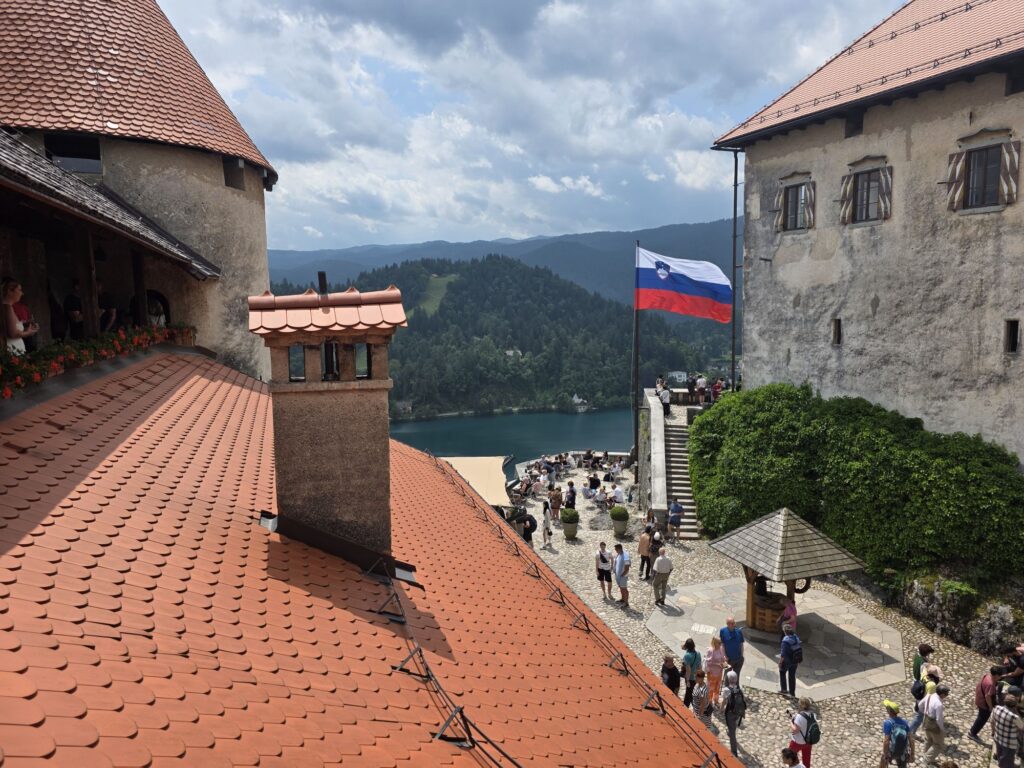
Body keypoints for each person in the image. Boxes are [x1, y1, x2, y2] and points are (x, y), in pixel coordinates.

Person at [2, 279, 38, 354]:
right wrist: (29, 332)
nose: (22, 293)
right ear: (10, 291)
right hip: (13, 351)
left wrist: (26, 329)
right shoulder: (7, 308)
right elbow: (13, 333)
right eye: (19, 290)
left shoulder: (6, 307)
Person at [969, 665, 1001, 744]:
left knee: (980, 717)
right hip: (984, 704)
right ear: (995, 675)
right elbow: (987, 696)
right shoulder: (990, 684)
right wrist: (990, 707)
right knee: (982, 719)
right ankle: (972, 733)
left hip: (979, 699)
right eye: (999, 676)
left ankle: (972, 732)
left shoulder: (987, 676)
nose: (999, 677)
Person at [990, 694, 1023, 768]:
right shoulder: (1015, 717)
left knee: (1000, 756)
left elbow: (992, 721)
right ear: (1015, 705)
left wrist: (993, 732)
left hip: (998, 738)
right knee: (1007, 761)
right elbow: (1022, 727)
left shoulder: (996, 709)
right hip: (1009, 744)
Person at [920, 684, 950, 766]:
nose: (946, 696)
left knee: (928, 740)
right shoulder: (939, 704)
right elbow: (938, 719)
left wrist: (925, 713)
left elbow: (920, 705)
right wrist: (942, 730)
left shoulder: (929, 696)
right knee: (938, 745)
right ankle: (926, 759)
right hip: (934, 725)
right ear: (942, 694)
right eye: (946, 694)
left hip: (926, 720)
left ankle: (926, 757)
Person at [882, 699, 914, 768]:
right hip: (903, 752)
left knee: (882, 763)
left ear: (889, 711)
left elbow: (886, 740)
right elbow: (911, 740)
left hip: (891, 751)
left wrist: (885, 754)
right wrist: (912, 755)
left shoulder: (888, 723)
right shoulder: (905, 722)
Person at [721, 670, 745, 757]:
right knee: (733, 724)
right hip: (738, 712)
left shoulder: (727, 690)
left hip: (730, 712)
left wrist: (721, 708)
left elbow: (724, 701)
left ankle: (734, 752)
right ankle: (730, 730)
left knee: (732, 733)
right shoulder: (740, 687)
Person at [789, 697, 817, 767]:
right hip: (808, 742)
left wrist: (790, 723)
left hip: (798, 742)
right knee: (806, 759)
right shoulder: (813, 715)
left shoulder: (799, 717)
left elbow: (795, 730)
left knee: (790, 757)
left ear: (800, 705)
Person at [779, 623, 801, 697]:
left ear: (785, 632)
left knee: (782, 672)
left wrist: (780, 662)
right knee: (792, 676)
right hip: (795, 660)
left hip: (787, 661)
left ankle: (784, 690)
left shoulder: (785, 641)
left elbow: (783, 654)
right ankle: (792, 692)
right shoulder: (796, 638)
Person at [705, 635, 727, 706]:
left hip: (719, 672)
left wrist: (725, 661)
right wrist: (718, 664)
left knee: (717, 687)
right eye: (719, 643)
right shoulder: (711, 650)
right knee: (711, 688)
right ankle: (709, 701)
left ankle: (716, 700)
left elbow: (723, 657)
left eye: (720, 642)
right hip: (712, 673)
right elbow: (708, 662)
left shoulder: (721, 649)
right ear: (714, 643)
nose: (720, 644)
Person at [681, 638, 702, 707]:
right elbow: (699, 666)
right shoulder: (698, 653)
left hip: (689, 677)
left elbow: (688, 670)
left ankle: (686, 707)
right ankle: (693, 703)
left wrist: (687, 681)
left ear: (687, 646)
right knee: (691, 691)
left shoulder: (687, 656)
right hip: (695, 676)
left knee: (688, 693)